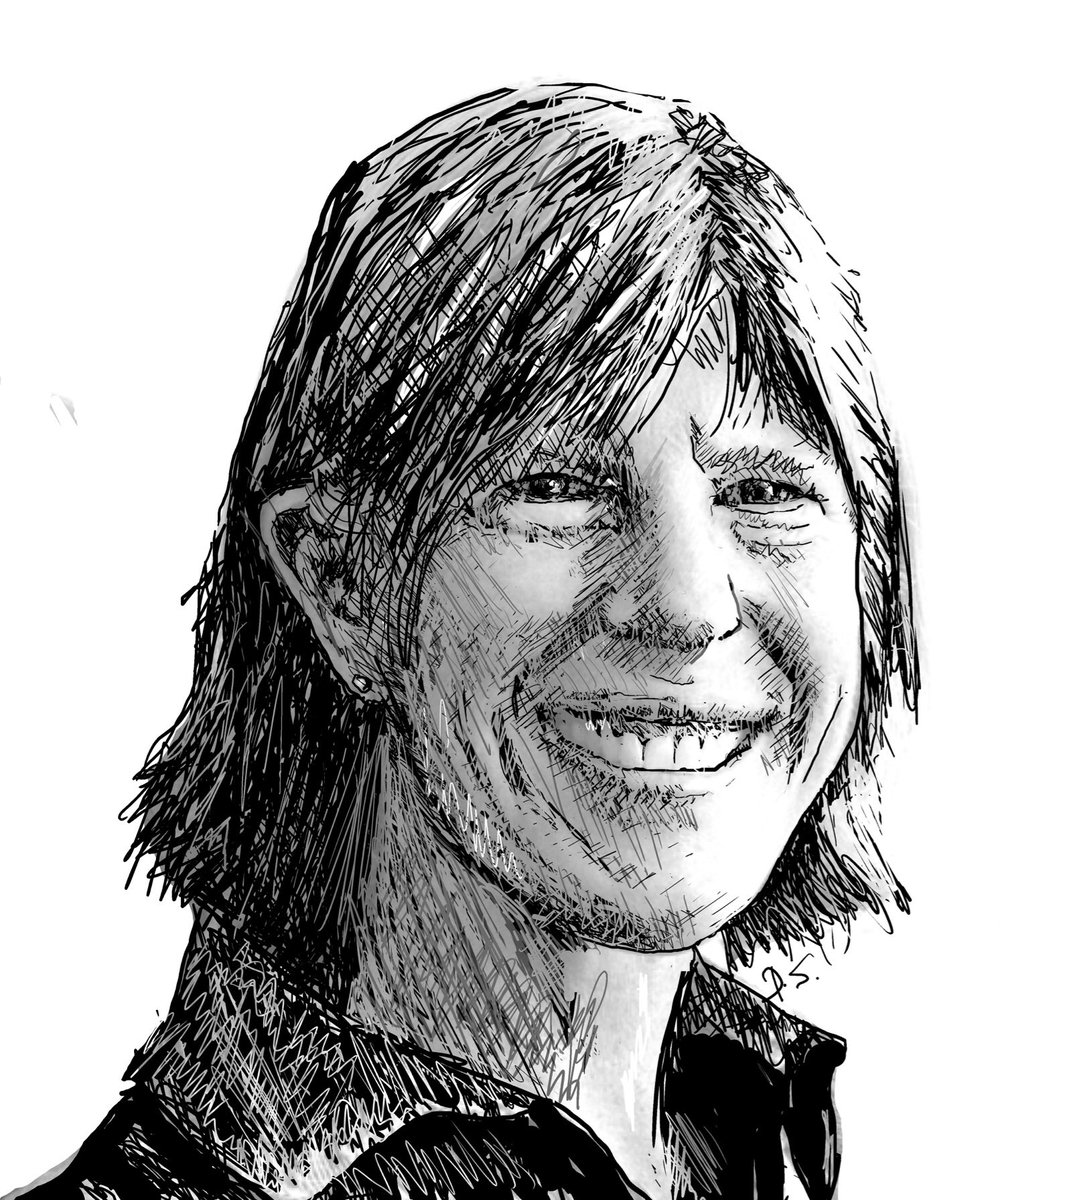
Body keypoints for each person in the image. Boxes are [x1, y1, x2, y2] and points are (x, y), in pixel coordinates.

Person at [14, 82, 918, 1200]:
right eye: (556, 488)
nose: (690, 605)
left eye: (767, 490)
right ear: (341, 579)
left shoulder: (768, 1132)